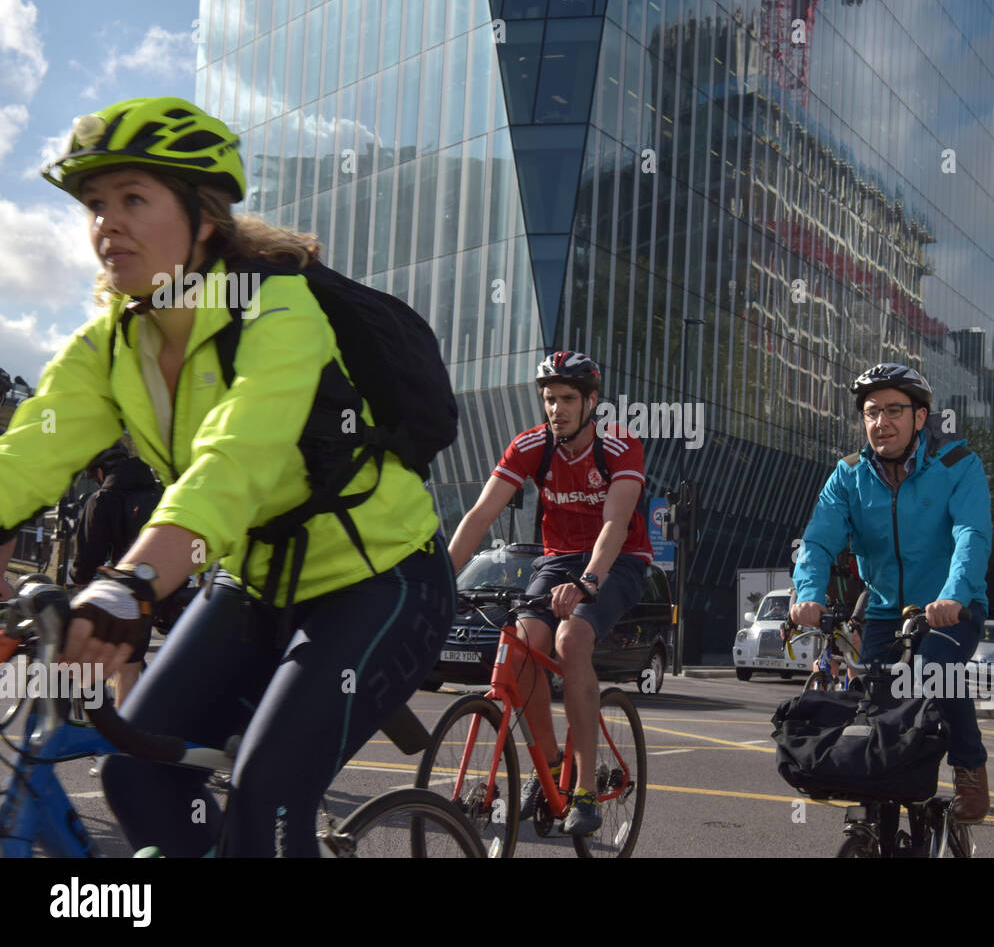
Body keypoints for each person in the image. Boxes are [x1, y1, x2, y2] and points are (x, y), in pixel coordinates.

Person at [0, 96, 454, 856]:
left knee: (266, 801)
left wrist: (129, 583)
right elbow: (24, 459)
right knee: (134, 775)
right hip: (255, 583)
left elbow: (234, 459)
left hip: (380, 581)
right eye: (96, 204)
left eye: (134, 199)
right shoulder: (112, 342)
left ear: (202, 216)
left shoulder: (278, 311)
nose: (106, 222)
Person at [447, 351, 651, 836]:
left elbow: (615, 525)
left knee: (571, 640)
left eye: (566, 399)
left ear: (591, 402)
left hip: (618, 560)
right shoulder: (532, 446)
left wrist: (589, 581)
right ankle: (550, 766)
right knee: (518, 649)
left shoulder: (621, 446)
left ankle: (582, 788)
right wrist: (440, 579)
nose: (555, 409)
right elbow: (479, 516)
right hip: (558, 558)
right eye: (548, 399)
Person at [790, 363, 993, 823]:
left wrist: (954, 595)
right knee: (874, 695)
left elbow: (971, 535)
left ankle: (969, 768)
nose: (882, 422)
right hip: (884, 610)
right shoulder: (848, 475)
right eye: (871, 411)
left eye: (894, 410)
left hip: (951, 607)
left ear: (921, 417)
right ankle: (881, 799)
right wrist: (808, 593)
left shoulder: (958, 464)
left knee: (939, 670)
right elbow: (819, 540)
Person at [68, 442, 164, 707]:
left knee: (126, 665)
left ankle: (122, 732)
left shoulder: (103, 499)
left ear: (100, 472)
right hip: (167, 582)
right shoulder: (159, 490)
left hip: (130, 589)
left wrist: (79, 584)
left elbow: (88, 558)